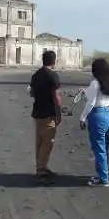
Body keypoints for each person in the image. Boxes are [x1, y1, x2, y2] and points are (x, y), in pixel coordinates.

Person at [79, 58, 109, 186]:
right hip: (107, 114)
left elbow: (91, 102)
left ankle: (103, 179)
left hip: (97, 116)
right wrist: (86, 92)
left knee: (99, 149)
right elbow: (96, 97)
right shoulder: (108, 83)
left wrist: (82, 117)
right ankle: (103, 174)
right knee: (104, 148)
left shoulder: (95, 83)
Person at [29, 50, 62, 183]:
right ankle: (41, 170)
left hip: (37, 112)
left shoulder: (36, 75)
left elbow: (31, 93)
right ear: (53, 62)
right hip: (49, 113)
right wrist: (59, 113)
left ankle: (41, 166)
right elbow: (56, 96)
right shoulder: (52, 76)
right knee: (47, 143)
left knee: (40, 142)